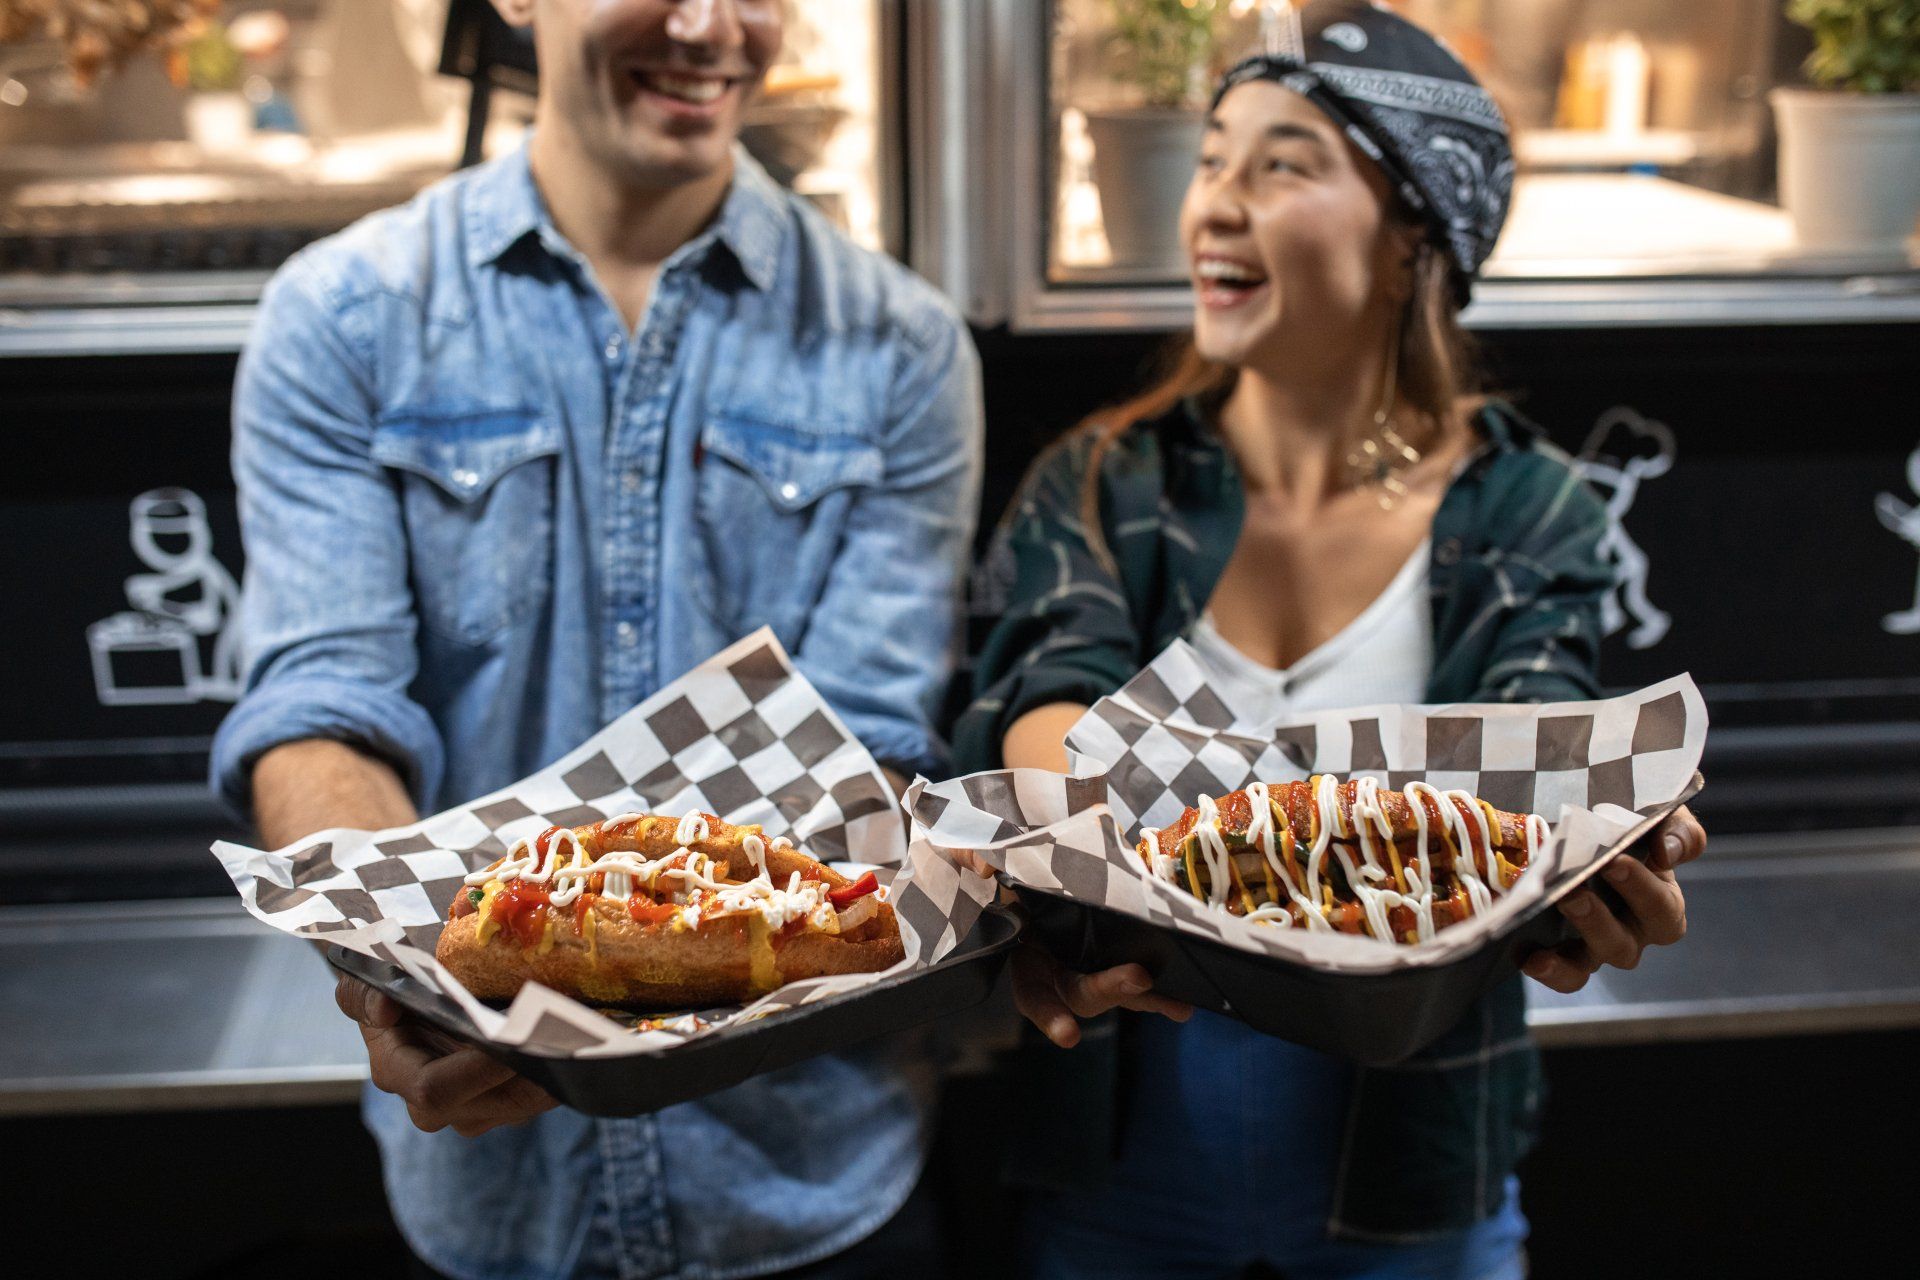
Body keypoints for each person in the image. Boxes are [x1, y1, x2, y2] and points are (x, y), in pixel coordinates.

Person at [211, 2, 981, 1277]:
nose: (708, 25)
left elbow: (867, 744)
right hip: (491, 1179)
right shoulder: (344, 317)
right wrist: (398, 960)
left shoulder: (899, 349)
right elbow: (323, 700)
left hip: (808, 1170)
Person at [953, 5, 1705, 1278]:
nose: (1215, 204)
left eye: (1283, 162)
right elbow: (1047, 690)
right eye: (1210, 156)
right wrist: (1072, 810)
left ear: (1417, 228)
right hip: (1122, 1167)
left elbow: (1530, 745)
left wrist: (1599, 851)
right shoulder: (1098, 479)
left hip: (1414, 1181)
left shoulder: (1529, 511)